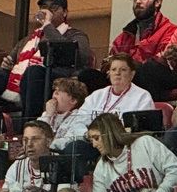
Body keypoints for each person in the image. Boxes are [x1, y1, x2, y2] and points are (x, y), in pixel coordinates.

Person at [0, 0, 90, 120]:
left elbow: (81, 57)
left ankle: (29, 123)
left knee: (33, 71)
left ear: (65, 12)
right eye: (44, 7)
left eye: (53, 7)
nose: (48, 11)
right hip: (20, 79)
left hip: (52, 79)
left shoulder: (75, 35)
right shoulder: (28, 39)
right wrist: (6, 65)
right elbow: (11, 61)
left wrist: (48, 25)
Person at [60, 53, 154, 181]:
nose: (117, 73)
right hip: (94, 142)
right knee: (74, 148)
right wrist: (89, 135)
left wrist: (111, 137)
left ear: (132, 74)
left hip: (120, 145)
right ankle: (80, 186)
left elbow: (140, 130)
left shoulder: (142, 96)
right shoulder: (97, 95)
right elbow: (78, 121)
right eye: (113, 69)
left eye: (123, 70)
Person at [88, 113, 177, 192]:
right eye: (92, 140)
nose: (94, 145)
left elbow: (175, 169)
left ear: (110, 134)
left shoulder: (145, 143)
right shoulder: (101, 167)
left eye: (96, 138)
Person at [0, 121, 76, 192]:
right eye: (25, 140)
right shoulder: (16, 166)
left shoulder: (62, 163)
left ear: (48, 141)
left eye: (35, 139)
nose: (29, 144)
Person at [111, 0, 177, 66]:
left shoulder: (170, 31)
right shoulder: (125, 35)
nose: (138, 1)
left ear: (157, 2)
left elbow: (162, 63)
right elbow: (112, 62)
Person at [38, 76, 88, 151]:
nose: (55, 93)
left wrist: (47, 144)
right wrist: (48, 116)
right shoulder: (48, 114)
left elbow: (70, 140)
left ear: (73, 100)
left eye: (60, 91)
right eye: (55, 90)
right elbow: (36, 134)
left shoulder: (79, 118)